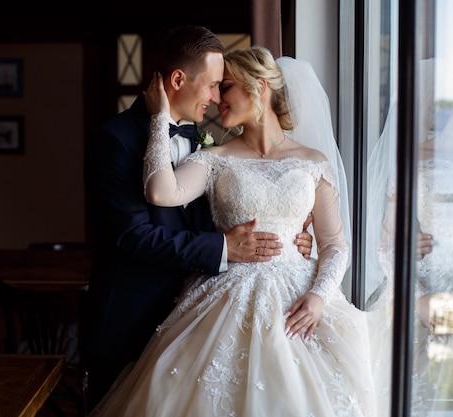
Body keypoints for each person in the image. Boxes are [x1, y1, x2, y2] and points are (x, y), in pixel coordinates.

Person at [87, 46, 376, 416]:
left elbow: (335, 243)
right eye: (215, 88)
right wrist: (160, 118)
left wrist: (319, 296)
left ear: (257, 86)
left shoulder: (314, 162)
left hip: (300, 297)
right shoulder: (213, 158)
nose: (216, 99)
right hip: (225, 295)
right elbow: (160, 191)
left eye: (225, 87)